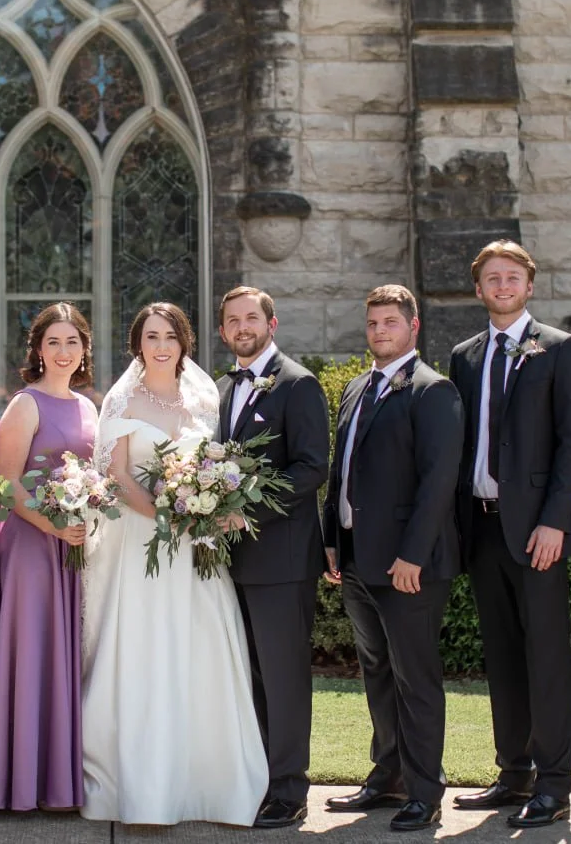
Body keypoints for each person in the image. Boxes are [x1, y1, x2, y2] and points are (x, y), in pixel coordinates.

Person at [80, 303, 267, 826]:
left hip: (195, 545)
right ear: (137, 344)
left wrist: (206, 509)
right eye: (151, 336)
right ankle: (134, 780)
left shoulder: (203, 399)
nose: (161, 345)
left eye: (171, 336)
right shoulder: (123, 399)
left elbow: (216, 466)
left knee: (201, 645)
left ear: (185, 343)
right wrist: (168, 518)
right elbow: (117, 475)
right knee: (141, 648)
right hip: (142, 542)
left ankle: (207, 781)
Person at [449, 240, 571, 829]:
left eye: (512, 277)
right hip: (481, 529)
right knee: (503, 659)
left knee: (546, 657)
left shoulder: (559, 351)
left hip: (537, 532)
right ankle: (514, 774)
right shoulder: (464, 355)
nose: (502, 286)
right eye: (491, 279)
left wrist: (556, 519)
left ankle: (554, 784)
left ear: (528, 286)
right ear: (478, 290)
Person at [321, 285, 463, 833]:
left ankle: (425, 792)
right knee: (376, 671)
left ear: (413, 327)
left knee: (415, 678)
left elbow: (438, 483)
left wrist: (413, 556)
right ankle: (388, 776)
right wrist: (332, 535)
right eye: (374, 322)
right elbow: (344, 468)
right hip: (357, 558)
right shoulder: (358, 389)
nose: (380, 330)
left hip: (409, 566)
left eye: (390, 322)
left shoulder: (434, 391)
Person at [216, 287, 331, 829]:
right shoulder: (220, 389)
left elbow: (311, 468)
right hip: (227, 563)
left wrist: (247, 509)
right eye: (232, 320)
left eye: (251, 318)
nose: (242, 327)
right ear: (222, 332)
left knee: (283, 679)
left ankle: (289, 789)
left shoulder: (298, 383)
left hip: (281, 560)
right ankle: (258, 779)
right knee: (250, 677)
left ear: (271, 323)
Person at [0, 303, 98, 810]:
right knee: (32, 655)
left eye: (71, 342)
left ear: (84, 349)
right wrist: (51, 523)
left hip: (74, 547)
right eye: (52, 342)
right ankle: (23, 784)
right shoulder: (25, 405)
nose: (62, 351)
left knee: (67, 657)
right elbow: (5, 483)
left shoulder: (87, 407)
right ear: (37, 350)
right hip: (32, 547)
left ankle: (61, 781)